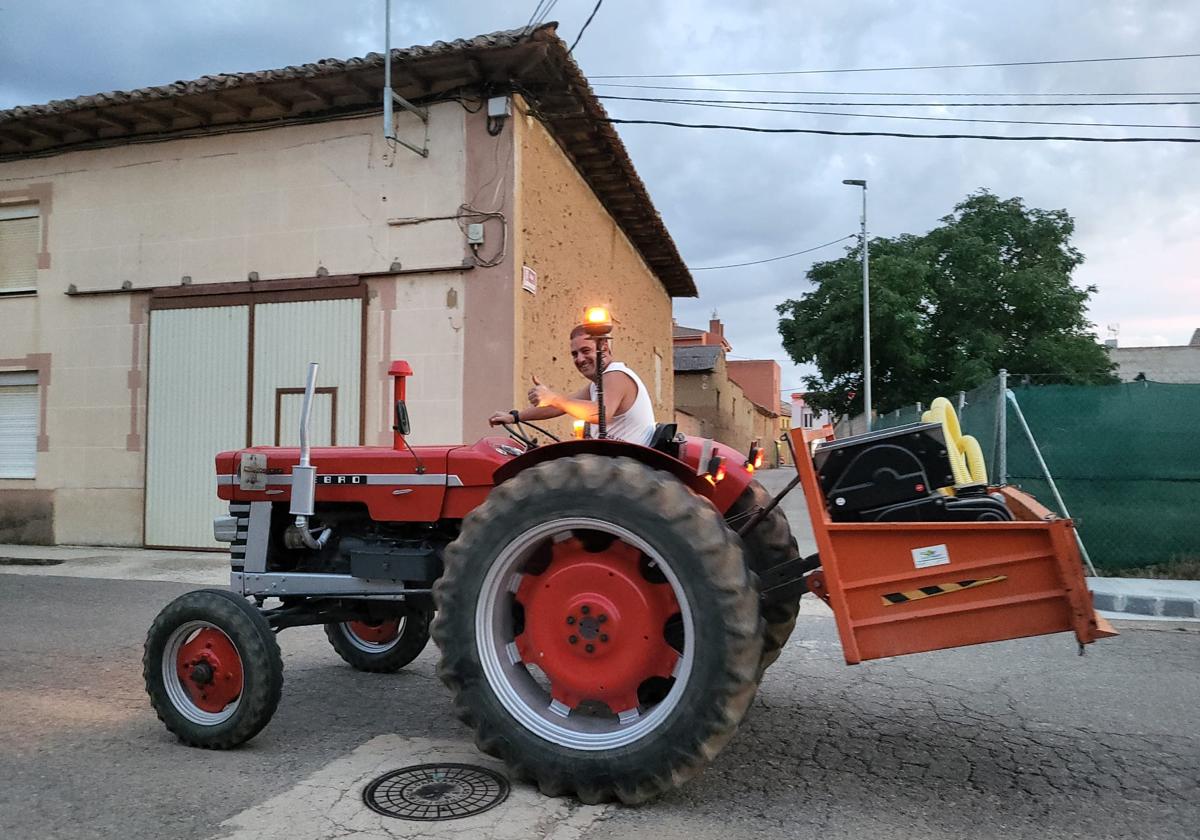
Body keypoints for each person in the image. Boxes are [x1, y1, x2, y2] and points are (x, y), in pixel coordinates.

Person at [489, 324, 657, 445]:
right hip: (614, 464)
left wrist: (553, 398)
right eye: (574, 354)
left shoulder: (616, 375)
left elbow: (600, 414)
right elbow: (560, 407)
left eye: (585, 351)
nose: (580, 359)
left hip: (624, 467)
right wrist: (514, 417)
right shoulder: (597, 385)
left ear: (604, 347)